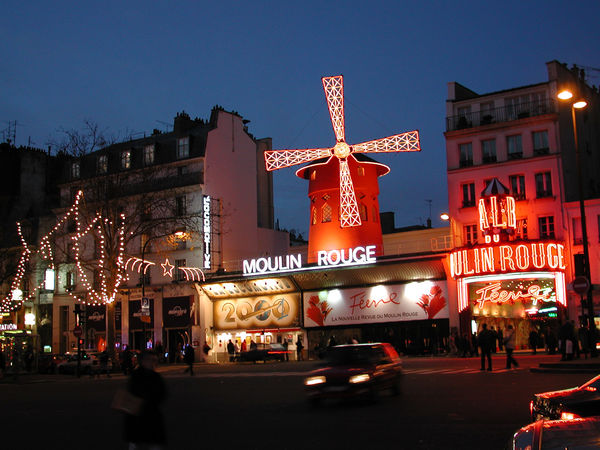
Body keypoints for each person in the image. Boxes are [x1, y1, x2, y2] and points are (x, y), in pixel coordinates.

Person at [123, 350, 167, 449]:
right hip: (140, 414)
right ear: (143, 361)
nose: (152, 363)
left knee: (149, 443)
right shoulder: (138, 376)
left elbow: (162, 393)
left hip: (145, 414)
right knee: (141, 442)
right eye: (150, 360)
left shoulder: (153, 376)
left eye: (154, 360)